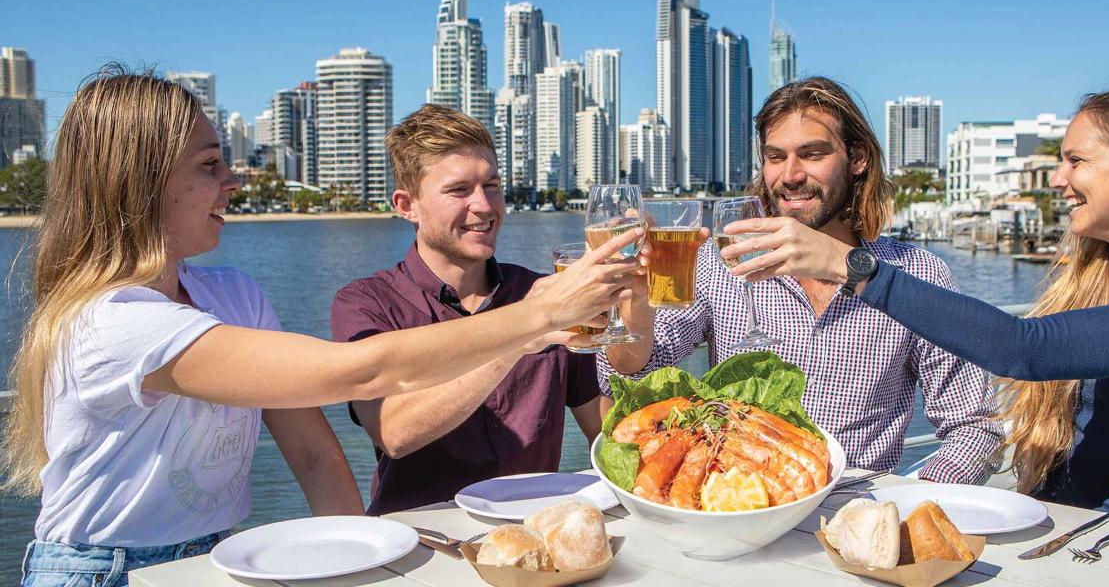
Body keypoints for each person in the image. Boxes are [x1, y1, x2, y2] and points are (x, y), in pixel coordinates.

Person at [5, 68, 643, 587]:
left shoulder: (234, 295)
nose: (231, 181)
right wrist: (540, 316)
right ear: (139, 183)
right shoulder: (113, 324)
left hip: (209, 556)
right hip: (99, 571)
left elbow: (314, 456)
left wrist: (367, 568)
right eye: (208, 166)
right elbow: (366, 372)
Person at [724, 87, 1109, 536]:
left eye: (1076, 161)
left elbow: (1024, 349)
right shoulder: (1093, 283)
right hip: (1077, 535)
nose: (1057, 179)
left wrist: (855, 268)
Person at [605, 77, 1000, 483]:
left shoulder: (917, 274)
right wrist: (635, 293)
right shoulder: (719, 263)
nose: (790, 175)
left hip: (855, 510)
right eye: (776, 157)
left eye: (812, 154)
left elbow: (975, 426)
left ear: (858, 157)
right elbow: (630, 371)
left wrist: (904, 508)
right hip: (743, 508)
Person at [331, 106, 605, 514]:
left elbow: (606, 430)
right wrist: (521, 333)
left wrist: (635, 308)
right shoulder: (366, 303)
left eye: (492, 185)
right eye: (459, 190)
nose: (484, 205)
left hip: (535, 532)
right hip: (421, 544)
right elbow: (393, 431)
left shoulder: (541, 291)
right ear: (407, 205)